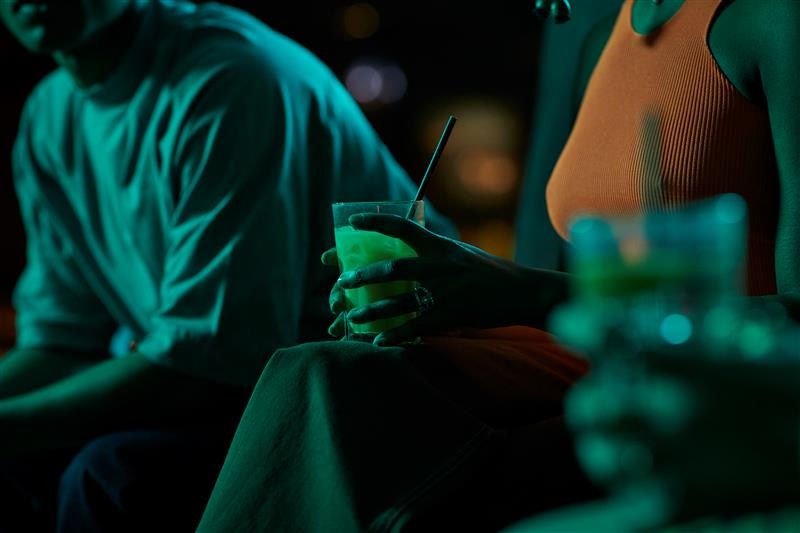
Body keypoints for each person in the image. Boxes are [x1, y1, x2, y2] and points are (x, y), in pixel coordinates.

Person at [198, 0, 799, 531]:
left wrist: (513, 289)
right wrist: (451, 302)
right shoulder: (603, 38)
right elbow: (576, 291)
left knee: (338, 383)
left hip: (706, 385)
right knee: (327, 367)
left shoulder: (771, 17)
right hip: (582, 360)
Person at [0, 0, 453, 530]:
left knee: (113, 476)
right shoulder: (50, 114)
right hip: (240, 391)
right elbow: (62, 342)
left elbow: (209, 368)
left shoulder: (229, 79)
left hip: (359, 395)